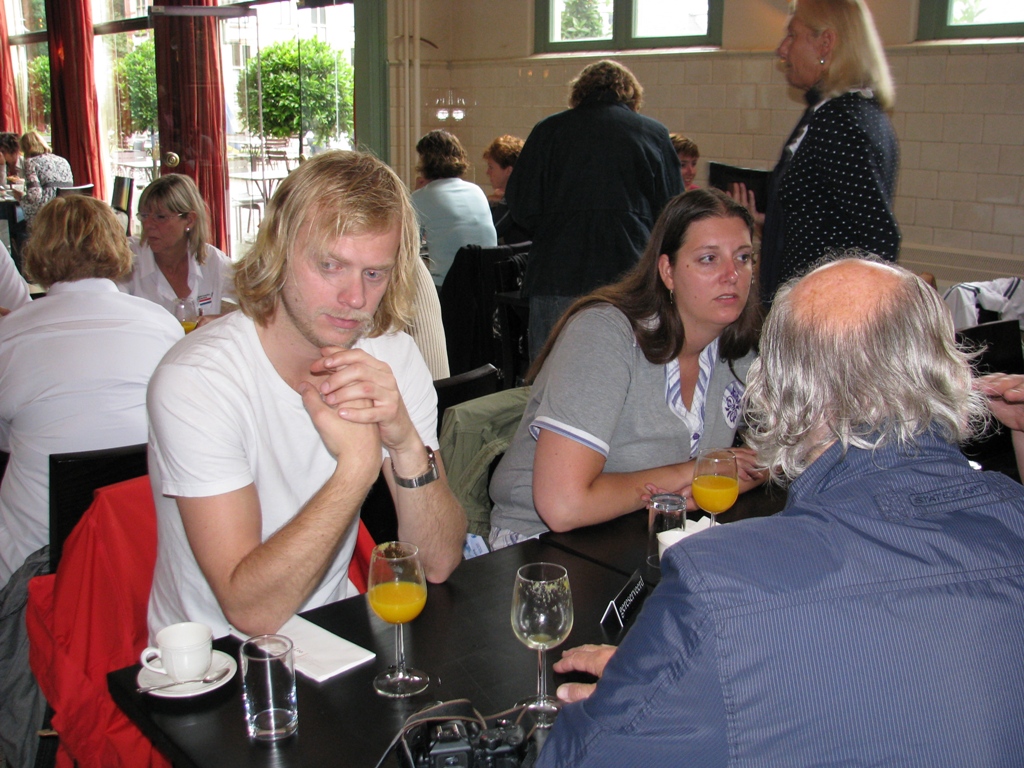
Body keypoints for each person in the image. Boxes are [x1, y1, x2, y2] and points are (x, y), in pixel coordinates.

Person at [537, 257, 1024, 767]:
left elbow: (575, 759)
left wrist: (649, 692)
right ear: (945, 367)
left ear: (781, 393)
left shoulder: (720, 583)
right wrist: (681, 677)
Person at [146, 150, 466, 639]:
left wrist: (405, 445)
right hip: (215, 658)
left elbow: (440, 562)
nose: (355, 299)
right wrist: (357, 467)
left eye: (374, 274)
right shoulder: (198, 380)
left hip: (333, 635)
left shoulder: (391, 356)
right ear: (278, 249)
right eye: (331, 265)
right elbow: (251, 613)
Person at [488, 189, 765, 549]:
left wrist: (741, 474)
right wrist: (692, 472)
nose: (732, 275)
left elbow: (784, 451)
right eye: (709, 259)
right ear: (667, 271)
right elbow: (562, 507)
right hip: (538, 547)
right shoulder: (604, 336)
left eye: (743, 257)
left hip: (643, 536)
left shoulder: (737, 347)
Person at [0, 196, 183, 588]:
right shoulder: (162, 324)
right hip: (147, 541)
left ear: (36, 250)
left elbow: (4, 443)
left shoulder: (9, 336)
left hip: (38, 558)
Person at [506, 60, 683, 360]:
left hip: (557, 274)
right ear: (632, 96)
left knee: (551, 374)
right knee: (625, 371)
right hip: (629, 275)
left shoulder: (548, 131)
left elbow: (522, 206)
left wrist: (557, 225)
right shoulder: (653, 134)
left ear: (579, 94)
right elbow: (672, 214)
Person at [732, 0, 900, 306]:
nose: (782, 50)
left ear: (826, 43)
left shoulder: (839, 119)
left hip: (818, 315)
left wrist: (838, 319)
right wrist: (773, 222)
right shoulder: (851, 112)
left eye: (792, 36)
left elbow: (878, 237)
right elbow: (829, 223)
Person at [118, 173, 236, 323]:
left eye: (160, 217)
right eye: (144, 216)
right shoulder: (127, 259)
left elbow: (253, 313)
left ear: (189, 220)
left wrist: (213, 321)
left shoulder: (214, 262)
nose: (148, 225)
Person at [411, 129, 497, 287]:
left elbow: (408, 250)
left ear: (424, 161)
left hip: (447, 286)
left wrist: (416, 194)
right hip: (486, 285)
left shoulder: (421, 197)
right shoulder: (476, 190)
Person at [14, 131, 73, 225]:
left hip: (47, 210)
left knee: (16, 218)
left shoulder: (30, 162)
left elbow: (34, 196)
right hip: (66, 208)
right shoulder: (62, 160)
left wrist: (20, 197)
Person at [482, 134, 530, 245]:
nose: (488, 172)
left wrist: (487, 202)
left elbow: (490, 232)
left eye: (491, 167)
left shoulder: (514, 198)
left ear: (509, 170)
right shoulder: (523, 191)